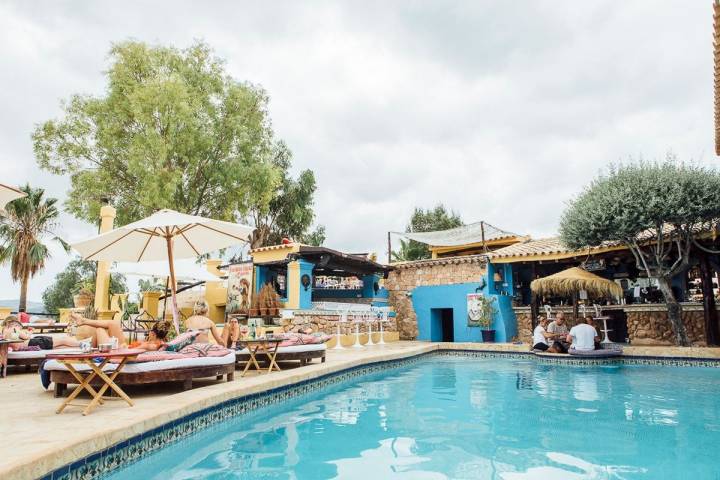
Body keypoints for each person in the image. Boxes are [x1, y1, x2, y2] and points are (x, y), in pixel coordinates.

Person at [1, 315, 84, 350]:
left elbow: (15, 342)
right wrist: (31, 332)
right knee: (63, 340)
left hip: (33, 343)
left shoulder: (4, 332)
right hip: (34, 342)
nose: (17, 324)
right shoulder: (14, 328)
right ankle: (82, 344)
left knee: (60, 344)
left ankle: (80, 345)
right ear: (12, 322)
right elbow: (26, 338)